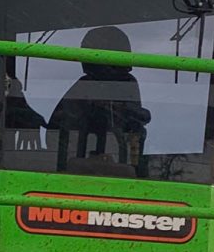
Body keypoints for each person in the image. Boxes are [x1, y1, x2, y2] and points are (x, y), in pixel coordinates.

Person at [48, 25, 151, 176]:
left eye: (86, 53)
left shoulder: (128, 84)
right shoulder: (83, 86)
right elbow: (58, 125)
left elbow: (135, 123)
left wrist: (127, 111)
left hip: (117, 155)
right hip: (77, 162)